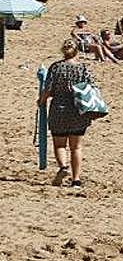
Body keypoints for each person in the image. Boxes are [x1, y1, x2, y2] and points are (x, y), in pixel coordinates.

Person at [38, 39, 100, 187]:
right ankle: (76, 179)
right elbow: (92, 87)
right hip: (78, 110)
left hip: (59, 109)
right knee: (76, 147)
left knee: (60, 145)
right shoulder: (83, 68)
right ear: (76, 51)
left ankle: (63, 167)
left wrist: (41, 100)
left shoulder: (56, 67)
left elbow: (48, 89)